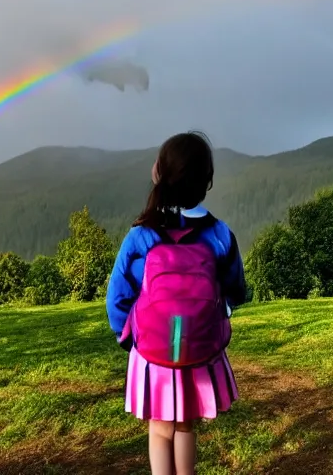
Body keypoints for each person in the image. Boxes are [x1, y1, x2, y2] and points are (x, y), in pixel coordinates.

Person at [105, 131, 247, 475]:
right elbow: (237, 290)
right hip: (199, 351)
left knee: (160, 428)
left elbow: (117, 298)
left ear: (158, 173)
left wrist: (132, 335)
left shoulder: (142, 234)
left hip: (152, 353)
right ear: (207, 181)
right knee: (185, 426)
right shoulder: (219, 234)